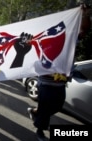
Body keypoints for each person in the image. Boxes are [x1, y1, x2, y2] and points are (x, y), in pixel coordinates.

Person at [27, 4, 91, 141]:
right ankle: (40, 131)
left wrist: (85, 14)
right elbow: (34, 64)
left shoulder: (68, 41)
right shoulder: (40, 44)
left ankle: (34, 111)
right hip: (45, 84)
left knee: (57, 106)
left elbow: (85, 30)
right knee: (45, 109)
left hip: (61, 84)